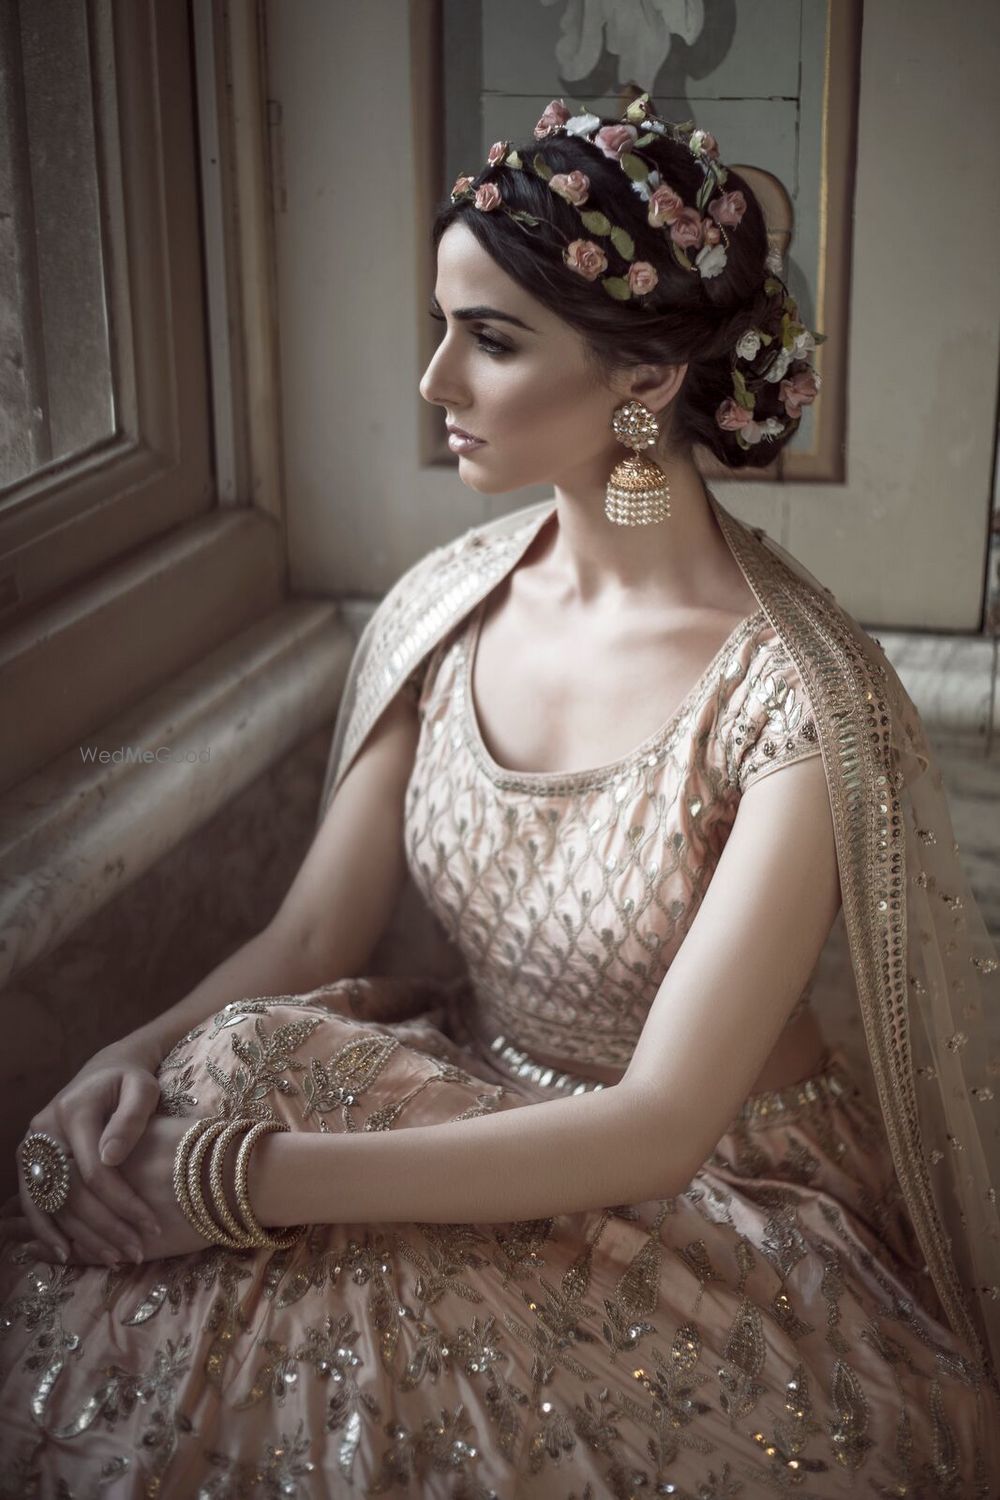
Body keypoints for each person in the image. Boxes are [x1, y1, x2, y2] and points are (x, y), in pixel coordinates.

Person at [1, 91, 998, 1497]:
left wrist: (236, 1178)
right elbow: (309, 943)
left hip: (703, 1196)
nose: (435, 384)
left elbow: (658, 1125)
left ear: (645, 381)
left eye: (492, 339)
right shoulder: (446, 605)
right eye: (440, 324)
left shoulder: (792, 701)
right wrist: (126, 1058)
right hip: (465, 1092)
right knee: (228, 1069)